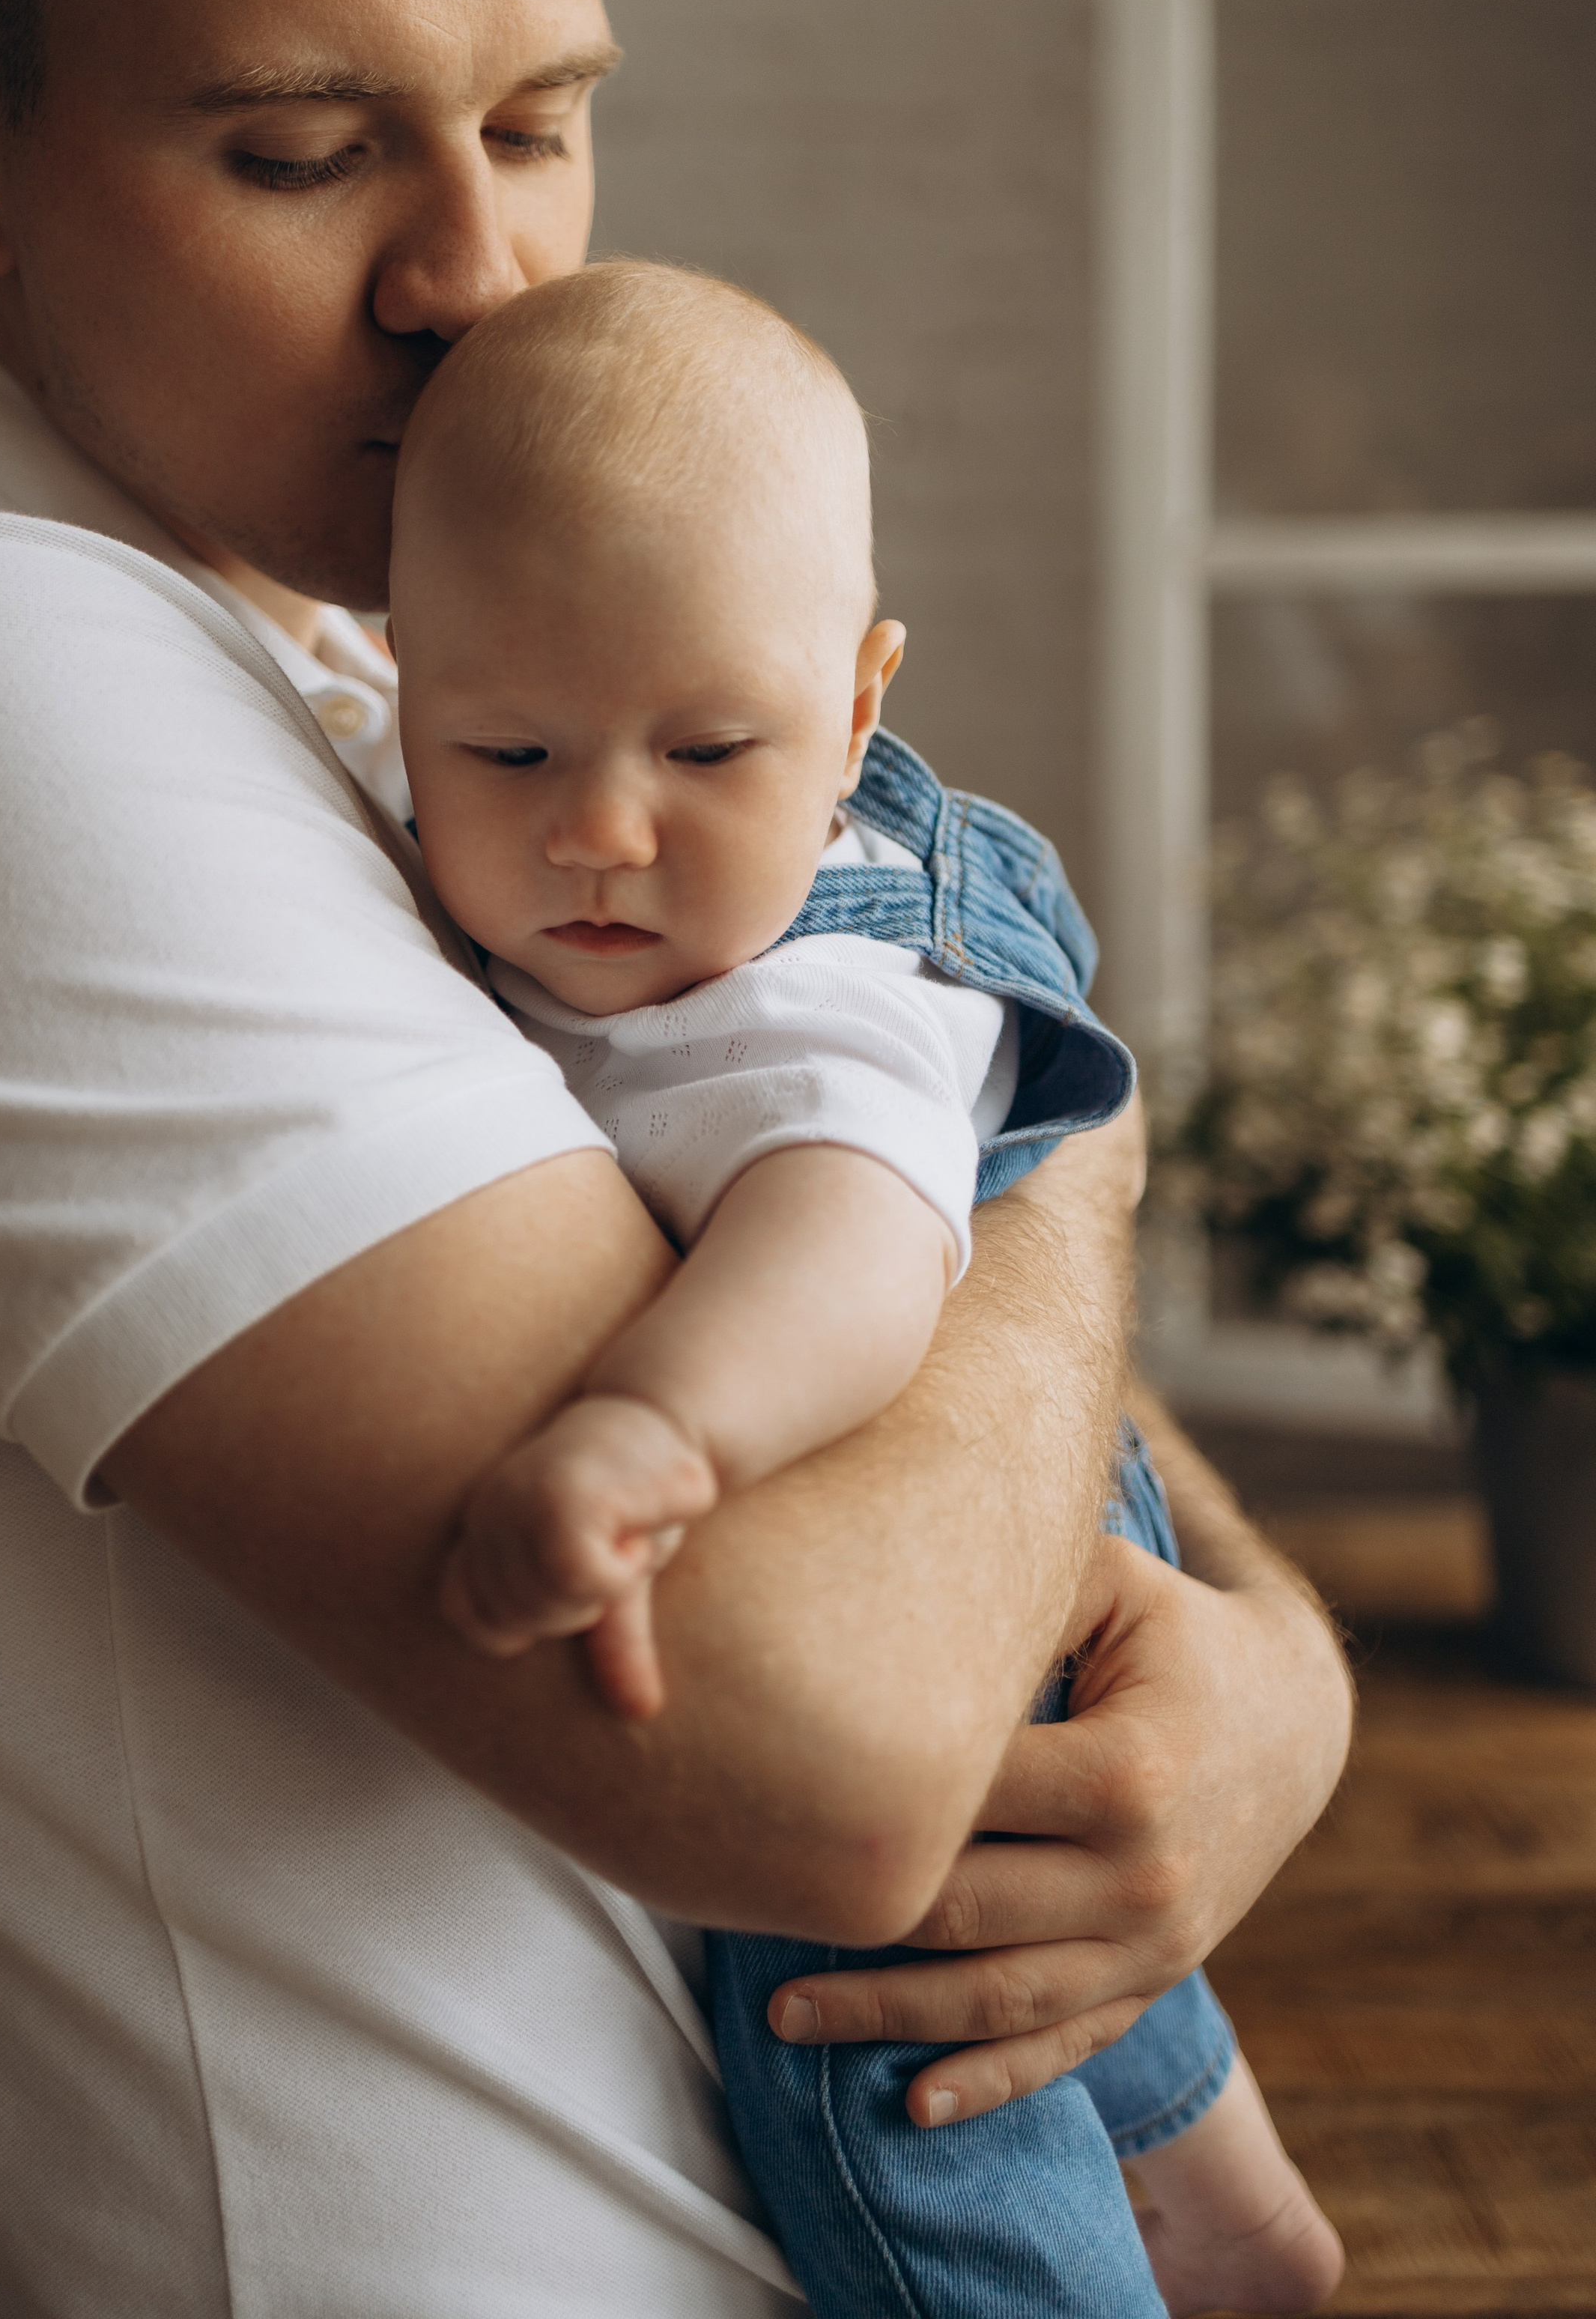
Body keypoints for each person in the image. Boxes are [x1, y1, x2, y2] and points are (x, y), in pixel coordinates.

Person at [0, 0, 1352, 2316]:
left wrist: (1268, 1684)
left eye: (543, 120)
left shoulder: (394, 664)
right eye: (306, 151)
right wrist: (1051, 1100)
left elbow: (900, 1321)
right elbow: (822, 1755)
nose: (481, 277)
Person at [395, 257, 1344, 2318]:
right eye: (504, 749)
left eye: (710, 747)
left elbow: (858, 1236)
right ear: (399, 684)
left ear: (858, 708)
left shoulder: (812, 992)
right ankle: (1243, 2216)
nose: (603, 835)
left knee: (908, 2070)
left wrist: (659, 1425)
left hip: (902, 1473)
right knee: (1070, 1903)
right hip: (1029, 1476)